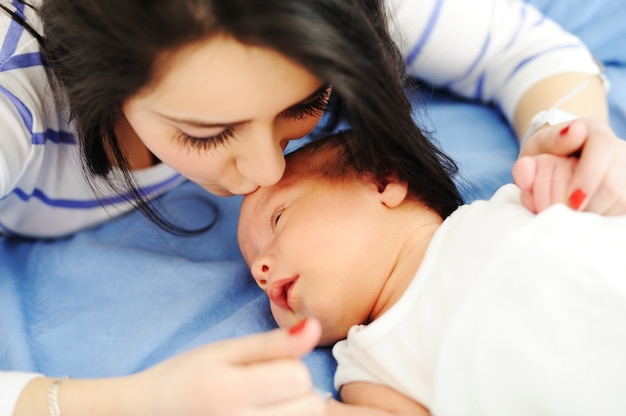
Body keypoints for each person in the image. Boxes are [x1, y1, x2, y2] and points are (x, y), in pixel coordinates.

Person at [1, 0, 625, 414]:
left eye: (307, 103)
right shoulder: (13, 106)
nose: (266, 171)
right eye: (209, 132)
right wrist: (130, 402)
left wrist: (568, 139)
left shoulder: (519, 215)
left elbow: (524, 47)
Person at [238, 131, 626, 415]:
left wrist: (579, 159)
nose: (260, 269)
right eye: (254, 262)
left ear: (381, 180)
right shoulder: (370, 367)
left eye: (278, 218)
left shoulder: (510, 206)